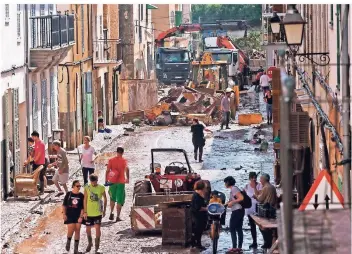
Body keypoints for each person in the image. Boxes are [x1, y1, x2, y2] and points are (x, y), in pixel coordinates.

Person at [83, 174, 107, 253]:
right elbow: (85, 199)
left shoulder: (101, 187)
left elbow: (105, 198)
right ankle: (90, 243)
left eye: (95, 181)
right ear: (90, 181)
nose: (94, 183)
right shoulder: (87, 187)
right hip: (89, 212)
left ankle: (97, 247)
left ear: (97, 180)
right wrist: (85, 211)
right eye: (92, 182)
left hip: (97, 212)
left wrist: (104, 210)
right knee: (88, 229)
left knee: (97, 228)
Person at [253, 173, 277, 249]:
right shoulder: (271, 187)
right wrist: (254, 188)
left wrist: (255, 196)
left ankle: (267, 242)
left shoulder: (266, 187)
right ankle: (268, 242)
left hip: (267, 210)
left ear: (264, 179)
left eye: (261, 179)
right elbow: (259, 194)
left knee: (263, 227)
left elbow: (260, 199)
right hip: (271, 209)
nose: (260, 181)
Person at [106, 147, 129, 222]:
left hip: (112, 181)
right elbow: (127, 169)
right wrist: (127, 178)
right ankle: (118, 216)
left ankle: (111, 212)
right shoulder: (124, 160)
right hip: (121, 182)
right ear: (122, 152)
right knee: (120, 199)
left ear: (116, 152)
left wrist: (106, 180)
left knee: (112, 198)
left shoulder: (111, 160)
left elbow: (107, 170)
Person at [62, 180, 84, 253]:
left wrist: (81, 217)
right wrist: (64, 214)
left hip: (78, 215)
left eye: (80, 186)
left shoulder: (81, 195)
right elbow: (64, 205)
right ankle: (68, 241)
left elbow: (83, 207)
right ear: (73, 186)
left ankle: (76, 250)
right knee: (71, 229)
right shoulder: (68, 194)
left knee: (77, 230)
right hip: (69, 215)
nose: (79, 187)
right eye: (77, 186)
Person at [224, 176, 244, 253]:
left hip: (237, 211)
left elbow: (241, 198)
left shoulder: (234, 189)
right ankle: (239, 247)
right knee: (239, 229)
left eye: (225, 182)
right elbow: (234, 199)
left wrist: (232, 202)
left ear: (228, 182)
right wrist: (227, 204)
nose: (225, 184)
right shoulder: (233, 189)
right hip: (239, 210)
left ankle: (235, 248)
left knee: (232, 228)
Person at [244, 172, 263, 249]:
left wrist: (255, 187)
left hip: (257, 207)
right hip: (249, 208)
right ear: (249, 178)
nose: (254, 179)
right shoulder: (246, 186)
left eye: (255, 177)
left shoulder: (259, 185)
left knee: (261, 225)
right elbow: (244, 196)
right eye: (252, 178)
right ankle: (254, 241)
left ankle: (265, 241)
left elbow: (259, 195)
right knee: (252, 226)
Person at [190, 180, 208, 251]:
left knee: (199, 230)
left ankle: (196, 243)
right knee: (198, 230)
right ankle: (197, 244)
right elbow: (198, 207)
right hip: (198, 215)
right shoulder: (196, 196)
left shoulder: (199, 194)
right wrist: (206, 208)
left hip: (200, 215)